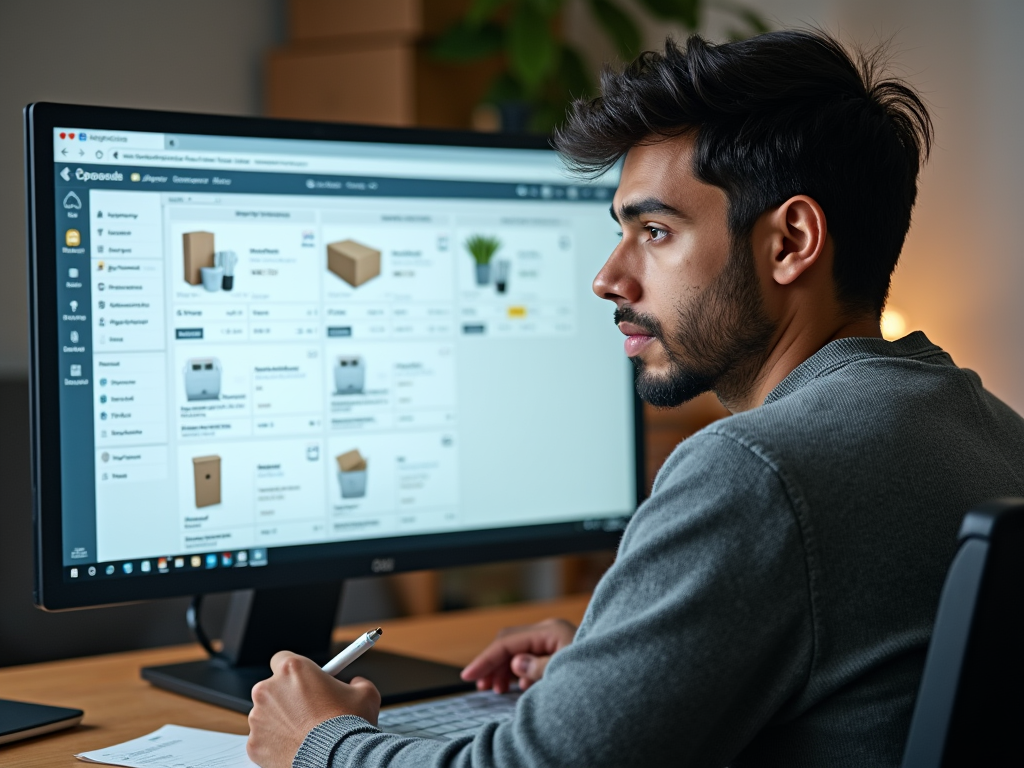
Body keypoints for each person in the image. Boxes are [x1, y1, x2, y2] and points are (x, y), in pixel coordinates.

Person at [246, 29, 1024, 768]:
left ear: (790, 242)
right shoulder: (995, 433)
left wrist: (322, 739)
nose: (608, 279)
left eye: (654, 230)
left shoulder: (755, 470)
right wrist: (617, 659)